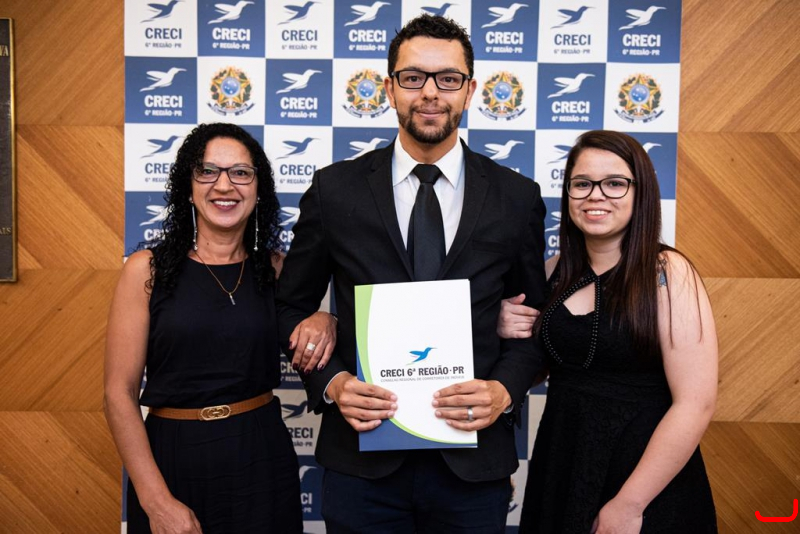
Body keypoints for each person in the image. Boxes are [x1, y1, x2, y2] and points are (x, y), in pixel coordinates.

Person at [275, 14, 547, 533]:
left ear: (470, 91)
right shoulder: (335, 191)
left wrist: (504, 391)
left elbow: (534, 322)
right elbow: (288, 307)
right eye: (413, 77)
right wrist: (333, 383)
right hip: (361, 462)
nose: (430, 93)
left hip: (472, 466)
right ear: (389, 88)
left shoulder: (516, 197)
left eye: (448, 78)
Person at [104, 123, 336, 533]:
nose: (224, 185)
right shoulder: (146, 271)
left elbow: (307, 334)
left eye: (240, 173)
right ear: (188, 186)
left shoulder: (277, 270)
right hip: (172, 459)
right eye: (208, 171)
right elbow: (117, 394)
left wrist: (325, 318)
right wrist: (156, 501)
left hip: (261, 456)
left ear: (258, 188)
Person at [497, 130, 718, 533]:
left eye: (614, 183)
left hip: (644, 479)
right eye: (582, 184)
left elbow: (695, 403)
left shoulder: (668, 273)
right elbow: (537, 368)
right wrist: (505, 329)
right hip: (562, 464)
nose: (595, 196)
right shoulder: (553, 272)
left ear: (640, 192)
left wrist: (630, 505)